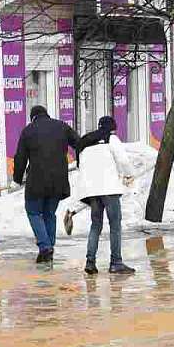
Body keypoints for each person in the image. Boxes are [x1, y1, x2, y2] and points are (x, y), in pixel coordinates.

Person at [68, 116, 137, 275]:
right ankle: (116, 262)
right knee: (115, 225)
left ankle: (90, 262)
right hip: (109, 189)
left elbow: (80, 166)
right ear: (113, 128)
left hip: (92, 191)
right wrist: (128, 175)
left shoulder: (85, 142)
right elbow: (123, 161)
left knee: (95, 225)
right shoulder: (111, 139)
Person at [12, 105, 80, 263]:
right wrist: (81, 162)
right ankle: (49, 247)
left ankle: (45, 247)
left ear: (32, 117)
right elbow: (79, 143)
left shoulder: (28, 130)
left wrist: (16, 179)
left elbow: (20, 157)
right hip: (58, 180)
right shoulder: (61, 126)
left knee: (33, 212)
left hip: (37, 180)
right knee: (49, 214)